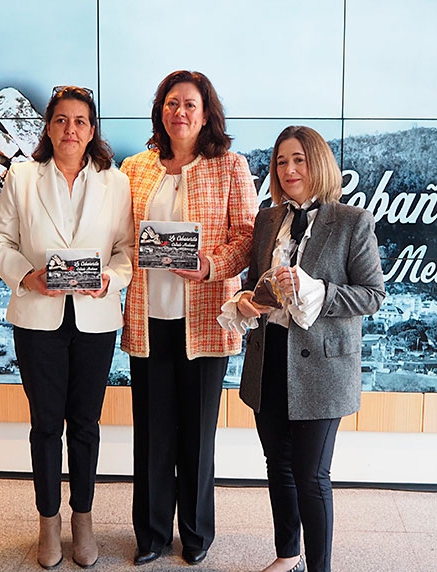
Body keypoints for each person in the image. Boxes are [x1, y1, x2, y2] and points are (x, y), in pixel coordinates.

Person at [218, 126, 386, 572]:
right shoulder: (267, 219)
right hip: (270, 353)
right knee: (278, 464)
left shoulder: (352, 221)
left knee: (312, 476)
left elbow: (372, 295)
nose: (289, 170)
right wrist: (247, 299)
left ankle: (320, 567)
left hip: (322, 367)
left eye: (299, 159)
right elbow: (257, 283)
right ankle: (288, 553)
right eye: (280, 162)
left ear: (319, 163)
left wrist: (319, 290)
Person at [0, 86, 134, 569]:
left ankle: (83, 521)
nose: (71, 130)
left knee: (86, 425)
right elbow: (0, 241)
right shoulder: (23, 176)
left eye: (80, 122)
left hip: (94, 319)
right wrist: (25, 275)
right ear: (48, 127)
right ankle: (47, 523)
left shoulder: (116, 182)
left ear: (93, 131)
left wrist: (110, 279)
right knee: (46, 425)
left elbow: (127, 251)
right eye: (61, 120)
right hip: (37, 315)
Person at [119, 70, 257, 566]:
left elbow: (247, 237)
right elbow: (118, 236)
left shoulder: (230, 166)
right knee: (152, 435)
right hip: (149, 318)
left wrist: (210, 265)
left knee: (196, 436)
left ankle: (197, 535)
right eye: (172, 103)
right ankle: (152, 535)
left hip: (204, 321)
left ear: (206, 113)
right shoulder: (135, 168)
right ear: (161, 110)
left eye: (190, 105)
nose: (180, 112)